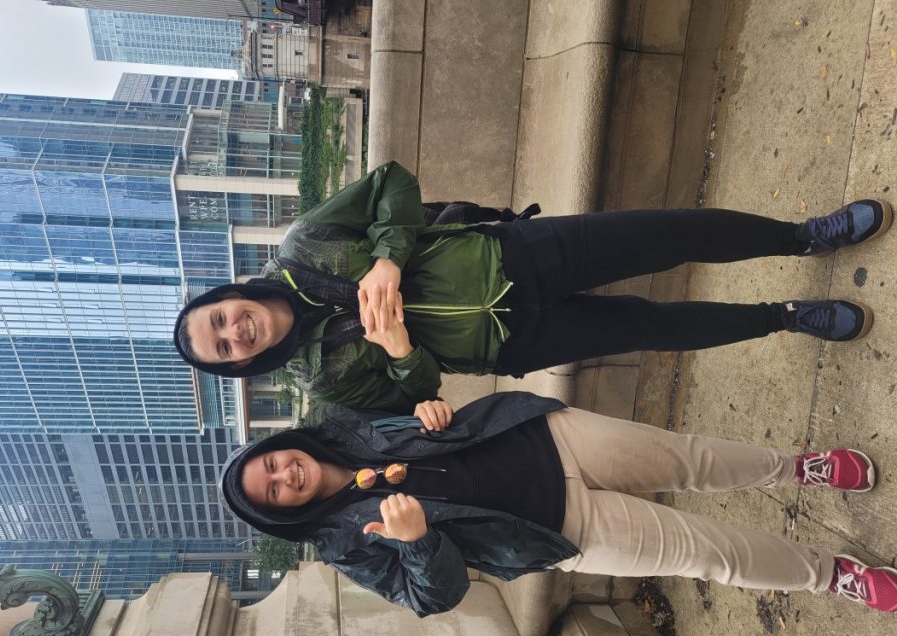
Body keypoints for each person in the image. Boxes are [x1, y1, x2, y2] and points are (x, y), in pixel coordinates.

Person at [174, 162, 892, 413]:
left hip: (521, 255)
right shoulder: (323, 379)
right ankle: (787, 317)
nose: (236, 331)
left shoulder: (304, 248)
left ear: (224, 297)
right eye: (225, 348)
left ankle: (805, 236)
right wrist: (397, 349)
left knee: (671, 232)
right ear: (240, 364)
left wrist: (388, 259)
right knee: (653, 328)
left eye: (221, 319)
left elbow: (390, 183)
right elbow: (420, 397)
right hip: (517, 339)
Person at [220, 392, 895, 617]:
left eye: (271, 464)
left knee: (692, 459)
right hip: (558, 529)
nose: (284, 477)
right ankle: (832, 575)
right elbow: (434, 598)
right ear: (283, 512)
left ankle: (798, 468)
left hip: (541, 437)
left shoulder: (346, 423)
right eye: (273, 493)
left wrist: (426, 403)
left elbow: (415, 381)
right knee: (705, 555)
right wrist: (419, 540)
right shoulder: (348, 545)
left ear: (279, 446)